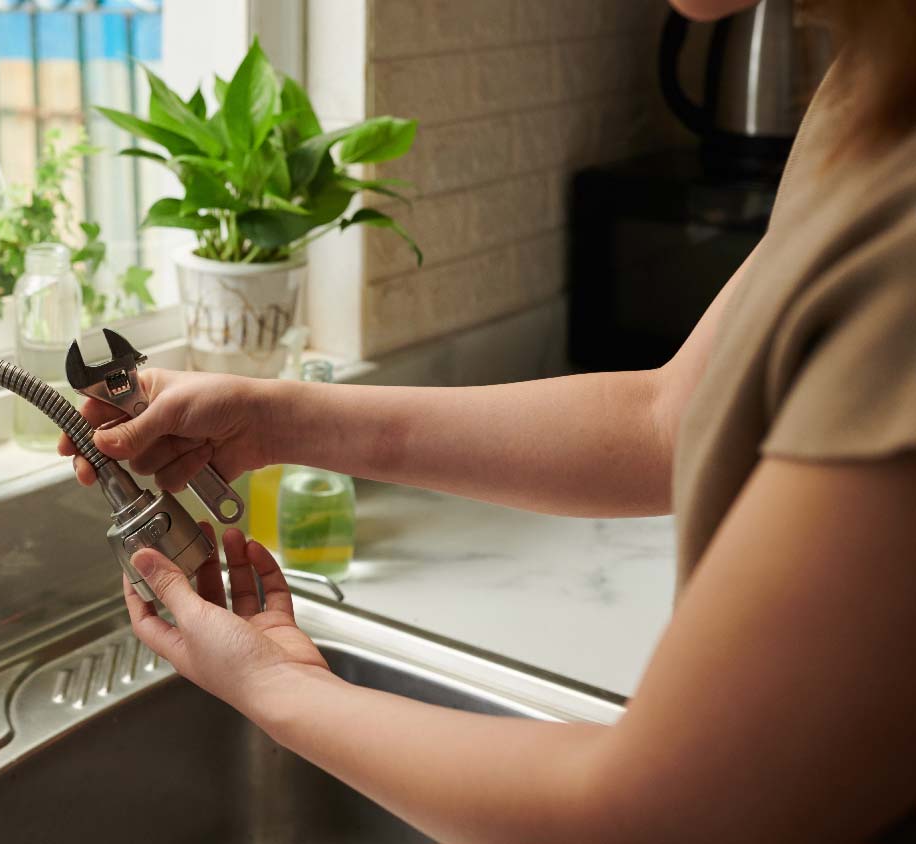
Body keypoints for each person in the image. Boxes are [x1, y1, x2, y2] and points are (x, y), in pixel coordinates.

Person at [58, 0, 916, 839]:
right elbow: (667, 418)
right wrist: (272, 419)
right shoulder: (871, 88)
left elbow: (661, 813)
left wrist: (281, 691)